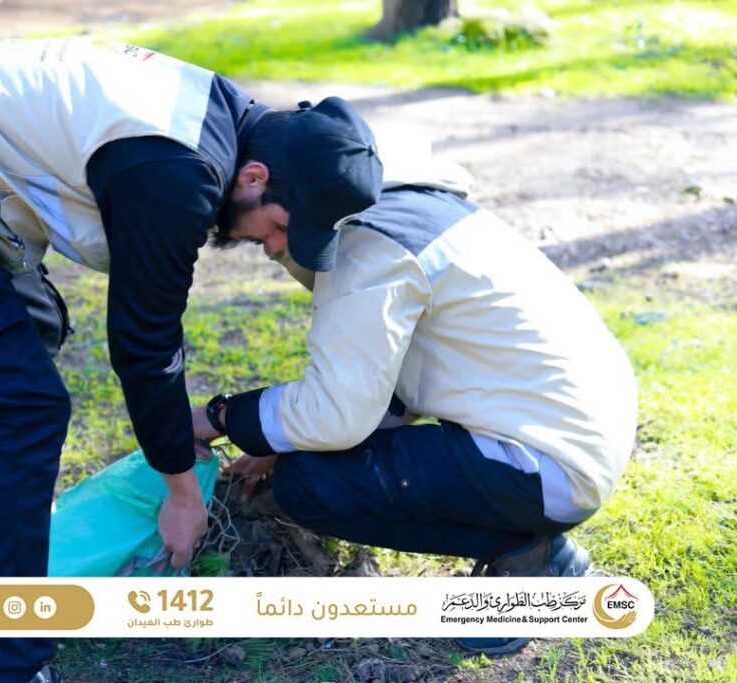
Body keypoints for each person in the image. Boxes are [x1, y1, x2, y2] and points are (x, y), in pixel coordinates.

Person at [0, 37, 382, 682]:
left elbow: (151, 325)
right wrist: (180, 492)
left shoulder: (226, 120)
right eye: (281, 228)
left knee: (32, 340)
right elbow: (144, 345)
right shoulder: (177, 173)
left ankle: (16, 551)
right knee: (19, 407)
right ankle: (13, 666)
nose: (274, 247)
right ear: (254, 179)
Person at [193, 154, 638, 656]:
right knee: (311, 460)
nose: (274, 250)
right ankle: (528, 542)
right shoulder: (412, 205)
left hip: (549, 463)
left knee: (309, 484)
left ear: (268, 183)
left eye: (267, 235)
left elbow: (337, 413)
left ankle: (527, 558)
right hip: (573, 433)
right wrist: (281, 440)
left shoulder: (363, 246)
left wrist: (218, 417)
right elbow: (390, 394)